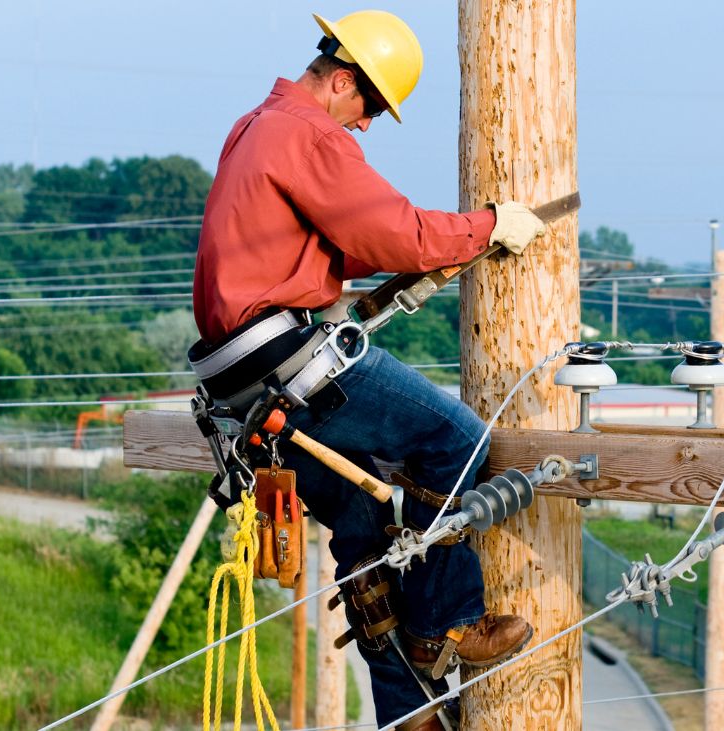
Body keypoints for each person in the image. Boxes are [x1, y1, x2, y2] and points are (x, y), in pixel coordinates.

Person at [190, 10, 544, 730]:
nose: (368, 125)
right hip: (286, 362)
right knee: (459, 440)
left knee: (364, 532)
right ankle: (445, 620)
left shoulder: (256, 126)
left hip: (237, 386)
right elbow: (394, 231)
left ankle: (407, 713)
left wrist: (423, 251)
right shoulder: (308, 133)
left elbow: (338, 244)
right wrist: (486, 224)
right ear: (344, 79)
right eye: (372, 106)